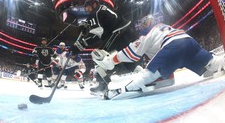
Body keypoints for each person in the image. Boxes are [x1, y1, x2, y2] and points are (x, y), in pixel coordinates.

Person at [92, 14, 225, 99]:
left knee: (146, 76)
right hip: (188, 41)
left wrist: (111, 60)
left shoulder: (149, 33)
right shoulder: (164, 27)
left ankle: (116, 92)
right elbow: (168, 68)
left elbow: (133, 52)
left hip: (173, 45)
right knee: (215, 63)